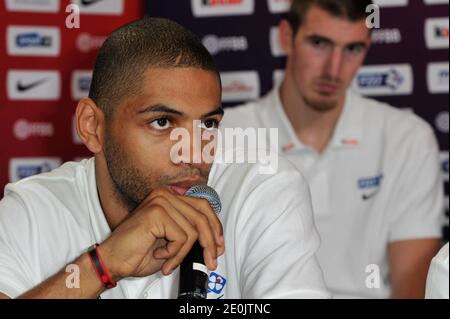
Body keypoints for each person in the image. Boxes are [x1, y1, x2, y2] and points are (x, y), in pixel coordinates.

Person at [0, 17, 329, 299]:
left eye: (208, 124)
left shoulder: (260, 187)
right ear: (93, 127)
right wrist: (103, 264)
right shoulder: (33, 211)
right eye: (162, 123)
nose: (194, 152)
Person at [221, 0, 444, 298]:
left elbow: (413, 287)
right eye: (319, 43)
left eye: (352, 49)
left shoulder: (407, 138)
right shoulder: (227, 135)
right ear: (287, 37)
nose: (334, 69)